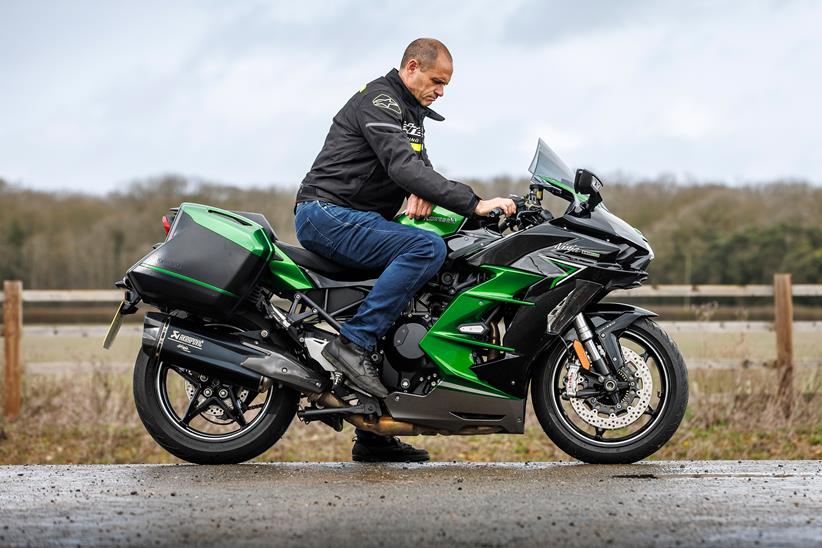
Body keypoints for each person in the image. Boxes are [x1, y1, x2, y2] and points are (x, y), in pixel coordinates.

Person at [294, 38, 516, 462]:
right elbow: (402, 165)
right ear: (412, 67)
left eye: (446, 85)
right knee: (425, 248)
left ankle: (374, 434)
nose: (441, 91)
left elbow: (417, 167)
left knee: (419, 280)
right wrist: (474, 202)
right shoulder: (381, 100)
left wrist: (439, 195)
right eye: (437, 81)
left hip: (357, 218)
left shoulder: (410, 113)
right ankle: (353, 344)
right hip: (326, 213)